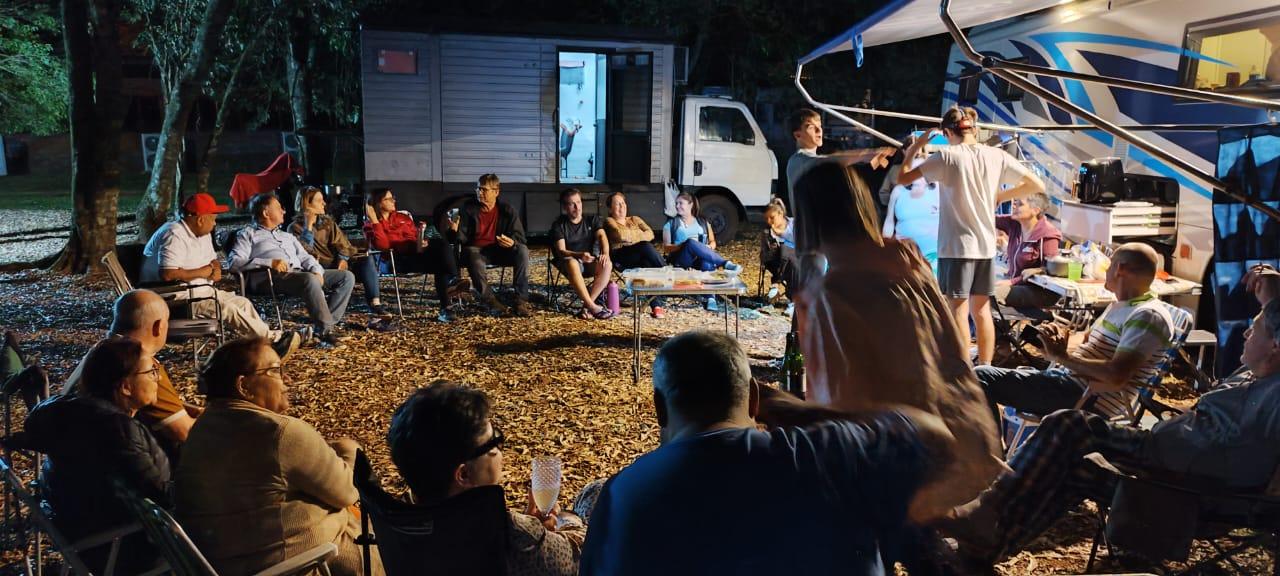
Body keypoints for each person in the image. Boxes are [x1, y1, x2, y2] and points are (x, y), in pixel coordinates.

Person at [579, 330, 957, 575]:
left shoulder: (620, 496)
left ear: (659, 408)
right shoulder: (827, 454)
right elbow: (937, 438)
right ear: (755, 399)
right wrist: (800, 411)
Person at [942, 298, 1280, 568]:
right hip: (1164, 456)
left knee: (1069, 425)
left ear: (1276, 346)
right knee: (1076, 471)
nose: (1245, 334)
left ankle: (985, 510)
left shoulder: (1275, 396)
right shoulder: (1253, 373)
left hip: (1183, 486)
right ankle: (982, 550)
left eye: (1254, 330)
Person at [791, 160, 1006, 523]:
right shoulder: (911, 260)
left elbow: (842, 411)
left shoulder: (835, 293)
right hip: (972, 438)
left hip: (915, 473)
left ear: (809, 218)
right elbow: (955, 348)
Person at [174, 338, 382, 576]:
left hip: (222, 562)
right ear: (244, 386)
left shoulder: (204, 427)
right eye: (274, 370)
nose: (287, 380)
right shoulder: (280, 433)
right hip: (288, 565)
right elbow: (347, 492)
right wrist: (350, 452)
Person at [388, 381, 601, 576]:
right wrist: (567, 520)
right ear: (464, 474)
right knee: (596, 493)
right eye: (493, 443)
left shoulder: (401, 524)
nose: (500, 450)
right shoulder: (513, 537)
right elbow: (586, 554)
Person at [897, 106, 1046, 366]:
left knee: (958, 310)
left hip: (956, 246)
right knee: (982, 310)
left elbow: (903, 177)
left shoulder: (946, 156)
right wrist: (1000, 196)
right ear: (974, 129)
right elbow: (1037, 185)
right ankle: (986, 370)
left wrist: (916, 146)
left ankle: (963, 368)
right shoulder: (996, 155)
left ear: (947, 133)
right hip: (985, 247)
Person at [19, 336, 169, 574]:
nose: (157, 378)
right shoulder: (117, 430)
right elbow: (160, 497)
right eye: (151, 371)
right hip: (124, 549)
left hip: (82, 537)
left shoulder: (71, 415)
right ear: (126, 386)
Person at [975, 243, 1174, 421]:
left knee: (980, 377)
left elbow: (1116, 375)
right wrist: (1058, 341)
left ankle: (988, 448)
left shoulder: (1147, 316)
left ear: (1119, 269)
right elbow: (1087, 342)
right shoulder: (1121, 305)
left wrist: (1063, 358)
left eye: (1109, 265)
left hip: (1086, 396)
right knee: (979, 376)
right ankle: (988, 446)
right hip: (1067, 383)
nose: (1105, 271)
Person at [140, 192, 301, 357]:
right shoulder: (174, 234)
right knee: (227, 309)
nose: (215, 222)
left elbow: (214, 262)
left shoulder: (201, 233)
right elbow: (168, 274)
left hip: (202, 292)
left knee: (243, 303)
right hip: (178, 299)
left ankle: (261, 348)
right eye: (212, 218)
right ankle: (272, 341)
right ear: (200, 219)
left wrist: (214, 269)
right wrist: (205, 271)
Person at [63, 290, 199, 448]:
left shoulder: (100, 352)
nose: (157, 377)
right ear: (158, 326)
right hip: (111, 456)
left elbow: (160, 405)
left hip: (74, 449)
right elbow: (185, 433)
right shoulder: (140, 368)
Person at [227, 192, 356, 347]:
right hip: (270, 277)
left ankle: (326, 327)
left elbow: (304, 256)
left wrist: (317, 270)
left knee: (346, 277)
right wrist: (269, 262)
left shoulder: (286, 236)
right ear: (266, 213)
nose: (284, 211)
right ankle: (325, 330)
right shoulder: (248, 235)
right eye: (278, 208)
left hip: (298, 274)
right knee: (309, 279)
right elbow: (234, 263)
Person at [363, 187, 470, 322]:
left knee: (440, 245)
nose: (393, 201)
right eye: (388, 199)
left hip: (414, 254)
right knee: (440, 264)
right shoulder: (370, 225)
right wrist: (374, 220)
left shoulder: (402, 218)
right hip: (394, 261)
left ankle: (452, 284)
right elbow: (383, 246)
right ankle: (447, 305)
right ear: (378, 203)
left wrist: (421, 241)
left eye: (393, 198)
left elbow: (413, 236)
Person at [288, 186, 388, 317]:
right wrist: (308, 227)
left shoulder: (328, 223)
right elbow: (305, 253)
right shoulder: (294, 228)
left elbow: (343, 243)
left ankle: (375, 303)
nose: (324, 203)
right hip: (316, 268)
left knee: (366, 259)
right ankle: (326, 313)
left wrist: (343, 259)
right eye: (319, 201)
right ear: (307, 204)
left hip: (335, 262)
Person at [447, 174, 533, 317]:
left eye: (484, 189)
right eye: (478, 189)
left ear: (496, 192)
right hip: (477, 252)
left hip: (500, 250)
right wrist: (454, 231)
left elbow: (520, 237)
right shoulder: (467, 210)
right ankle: (490, 301)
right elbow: (459, 240)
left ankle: (520, 300)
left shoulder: (507, 210)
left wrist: (512, 242)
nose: (479, 192)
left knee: (522, 250)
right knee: (472, 253)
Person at [785, 108, 894, 208]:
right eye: (811, 127)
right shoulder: (797, 161)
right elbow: (825, 161)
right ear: (797, 135)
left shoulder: (816, 163)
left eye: (820, 126)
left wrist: (871, 160)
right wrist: (866, 154)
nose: (819, 130)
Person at [662, 192, 740, 311]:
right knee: (690, 243)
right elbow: (666, 248)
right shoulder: (670, 224)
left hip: (700, 259)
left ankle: (711, 299)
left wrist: (709, 247)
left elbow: (713, 242)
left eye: (680, 203)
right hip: (682, 259)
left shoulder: (703, 222)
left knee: (707, 262)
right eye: (676, 203)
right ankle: (725, 263)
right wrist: (682, 245)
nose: (677, 206)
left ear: (691, 204)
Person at [552, 188, 614, 320]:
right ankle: (593, 307)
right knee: (572, 262)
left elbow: (602, 236)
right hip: (568, 263)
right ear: (565, 207)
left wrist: (605, 253)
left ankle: (587, 306)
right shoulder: (559, 225)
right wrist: (579, 255)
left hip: (589, 261)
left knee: (607, 264)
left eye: (579, 202)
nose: (577, 207)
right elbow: (562, 251)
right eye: (572, 204)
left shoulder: (592, 219)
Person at [603, 191, 667, 318]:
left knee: (646, 264)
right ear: (610, 209)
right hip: (621, 257)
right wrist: (639, 236)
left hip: (639, 256)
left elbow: (650, 234)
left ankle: (656, 306)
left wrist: (631, 239)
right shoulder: (609, 221)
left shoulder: (635, 219)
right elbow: (620, 235)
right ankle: (668, 273)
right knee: (645, 246)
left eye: (623, 203)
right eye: (617, 204)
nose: (622, 206)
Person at [993, 191, 1062, 308]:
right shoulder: (1014, 224)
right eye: (1015, 202)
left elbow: (1048, 271)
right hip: (1015, 283)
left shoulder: (1048, 234)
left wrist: (1012, 282)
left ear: (1035, 210)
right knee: (978, 289)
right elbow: (986, 217)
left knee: (992, 294)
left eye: (1020, 204)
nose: (1014, 206)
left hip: (1039, 290)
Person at [881, 156, 940, 269]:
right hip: (906, 254)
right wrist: (885, 247)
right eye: (914, 170)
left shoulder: (939, 189)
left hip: (934, 254)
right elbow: (889, 220)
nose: (918, 174)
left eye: (921, 170)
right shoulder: (898, 191)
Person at [759, 198, 800, 304]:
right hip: (776, 262)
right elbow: (766, 255)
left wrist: (782, 234)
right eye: (766, 219)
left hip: (797, 259)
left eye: (772, 217)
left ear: (780, 213)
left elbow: (803, 243)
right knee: (785, 251)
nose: (769, 221)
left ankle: (776, 283)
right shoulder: (768, 232)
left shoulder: (794, 224)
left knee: (790, 257)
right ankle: (794, 301)